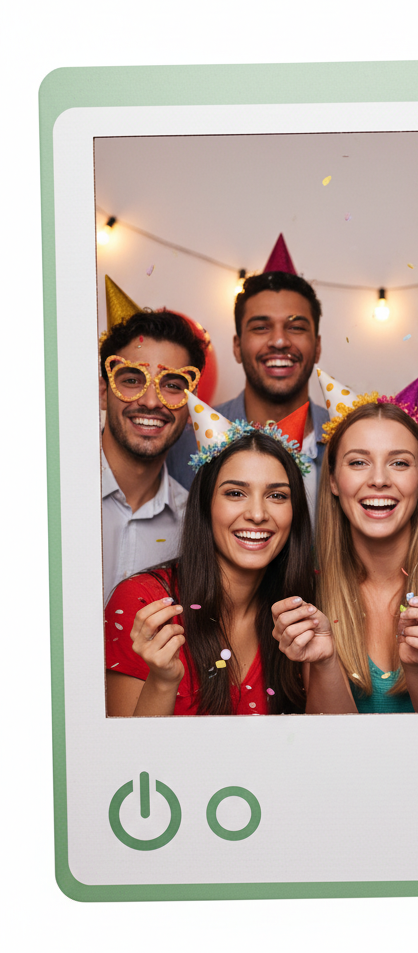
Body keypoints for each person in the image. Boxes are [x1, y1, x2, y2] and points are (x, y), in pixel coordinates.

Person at [104, 404, 314, 717]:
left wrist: (323, 663)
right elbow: (125, 762)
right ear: (205, 505)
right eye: (235, 493)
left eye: (277, 496)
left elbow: (334, 749)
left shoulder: (309, 606)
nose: (257, 514)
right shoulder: (144, 604)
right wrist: (163, 681)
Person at [271, 371, 418, 713]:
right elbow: (329, 749)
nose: (379, 479)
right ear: (333, 482)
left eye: (399, 463)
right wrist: (325, 662)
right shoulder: (308, 574)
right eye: (358, 462)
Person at [168, 236, 328, 524]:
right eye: (261, 327)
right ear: (237, 346)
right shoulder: (188, 444)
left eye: (296, 327)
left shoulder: (349, 442)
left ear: (317, 346)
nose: (279, 340)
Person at [99, 308, 206, 603]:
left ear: (191, 406)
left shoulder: (195, 528)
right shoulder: (50, 490)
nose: (150, 401)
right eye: (132, 380)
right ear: (102, 392)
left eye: (172, 386)